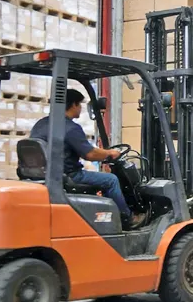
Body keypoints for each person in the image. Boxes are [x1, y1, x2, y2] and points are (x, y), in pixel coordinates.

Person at [30, 89, 134, 224]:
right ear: (73, 105)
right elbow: (89, 154)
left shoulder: (41, 124)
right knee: (111, 180)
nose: (80, 108)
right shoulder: (70, 128)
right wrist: (109, 153)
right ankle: (126, 218)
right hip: (69, 175)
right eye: (79, 105)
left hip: (46, 174)